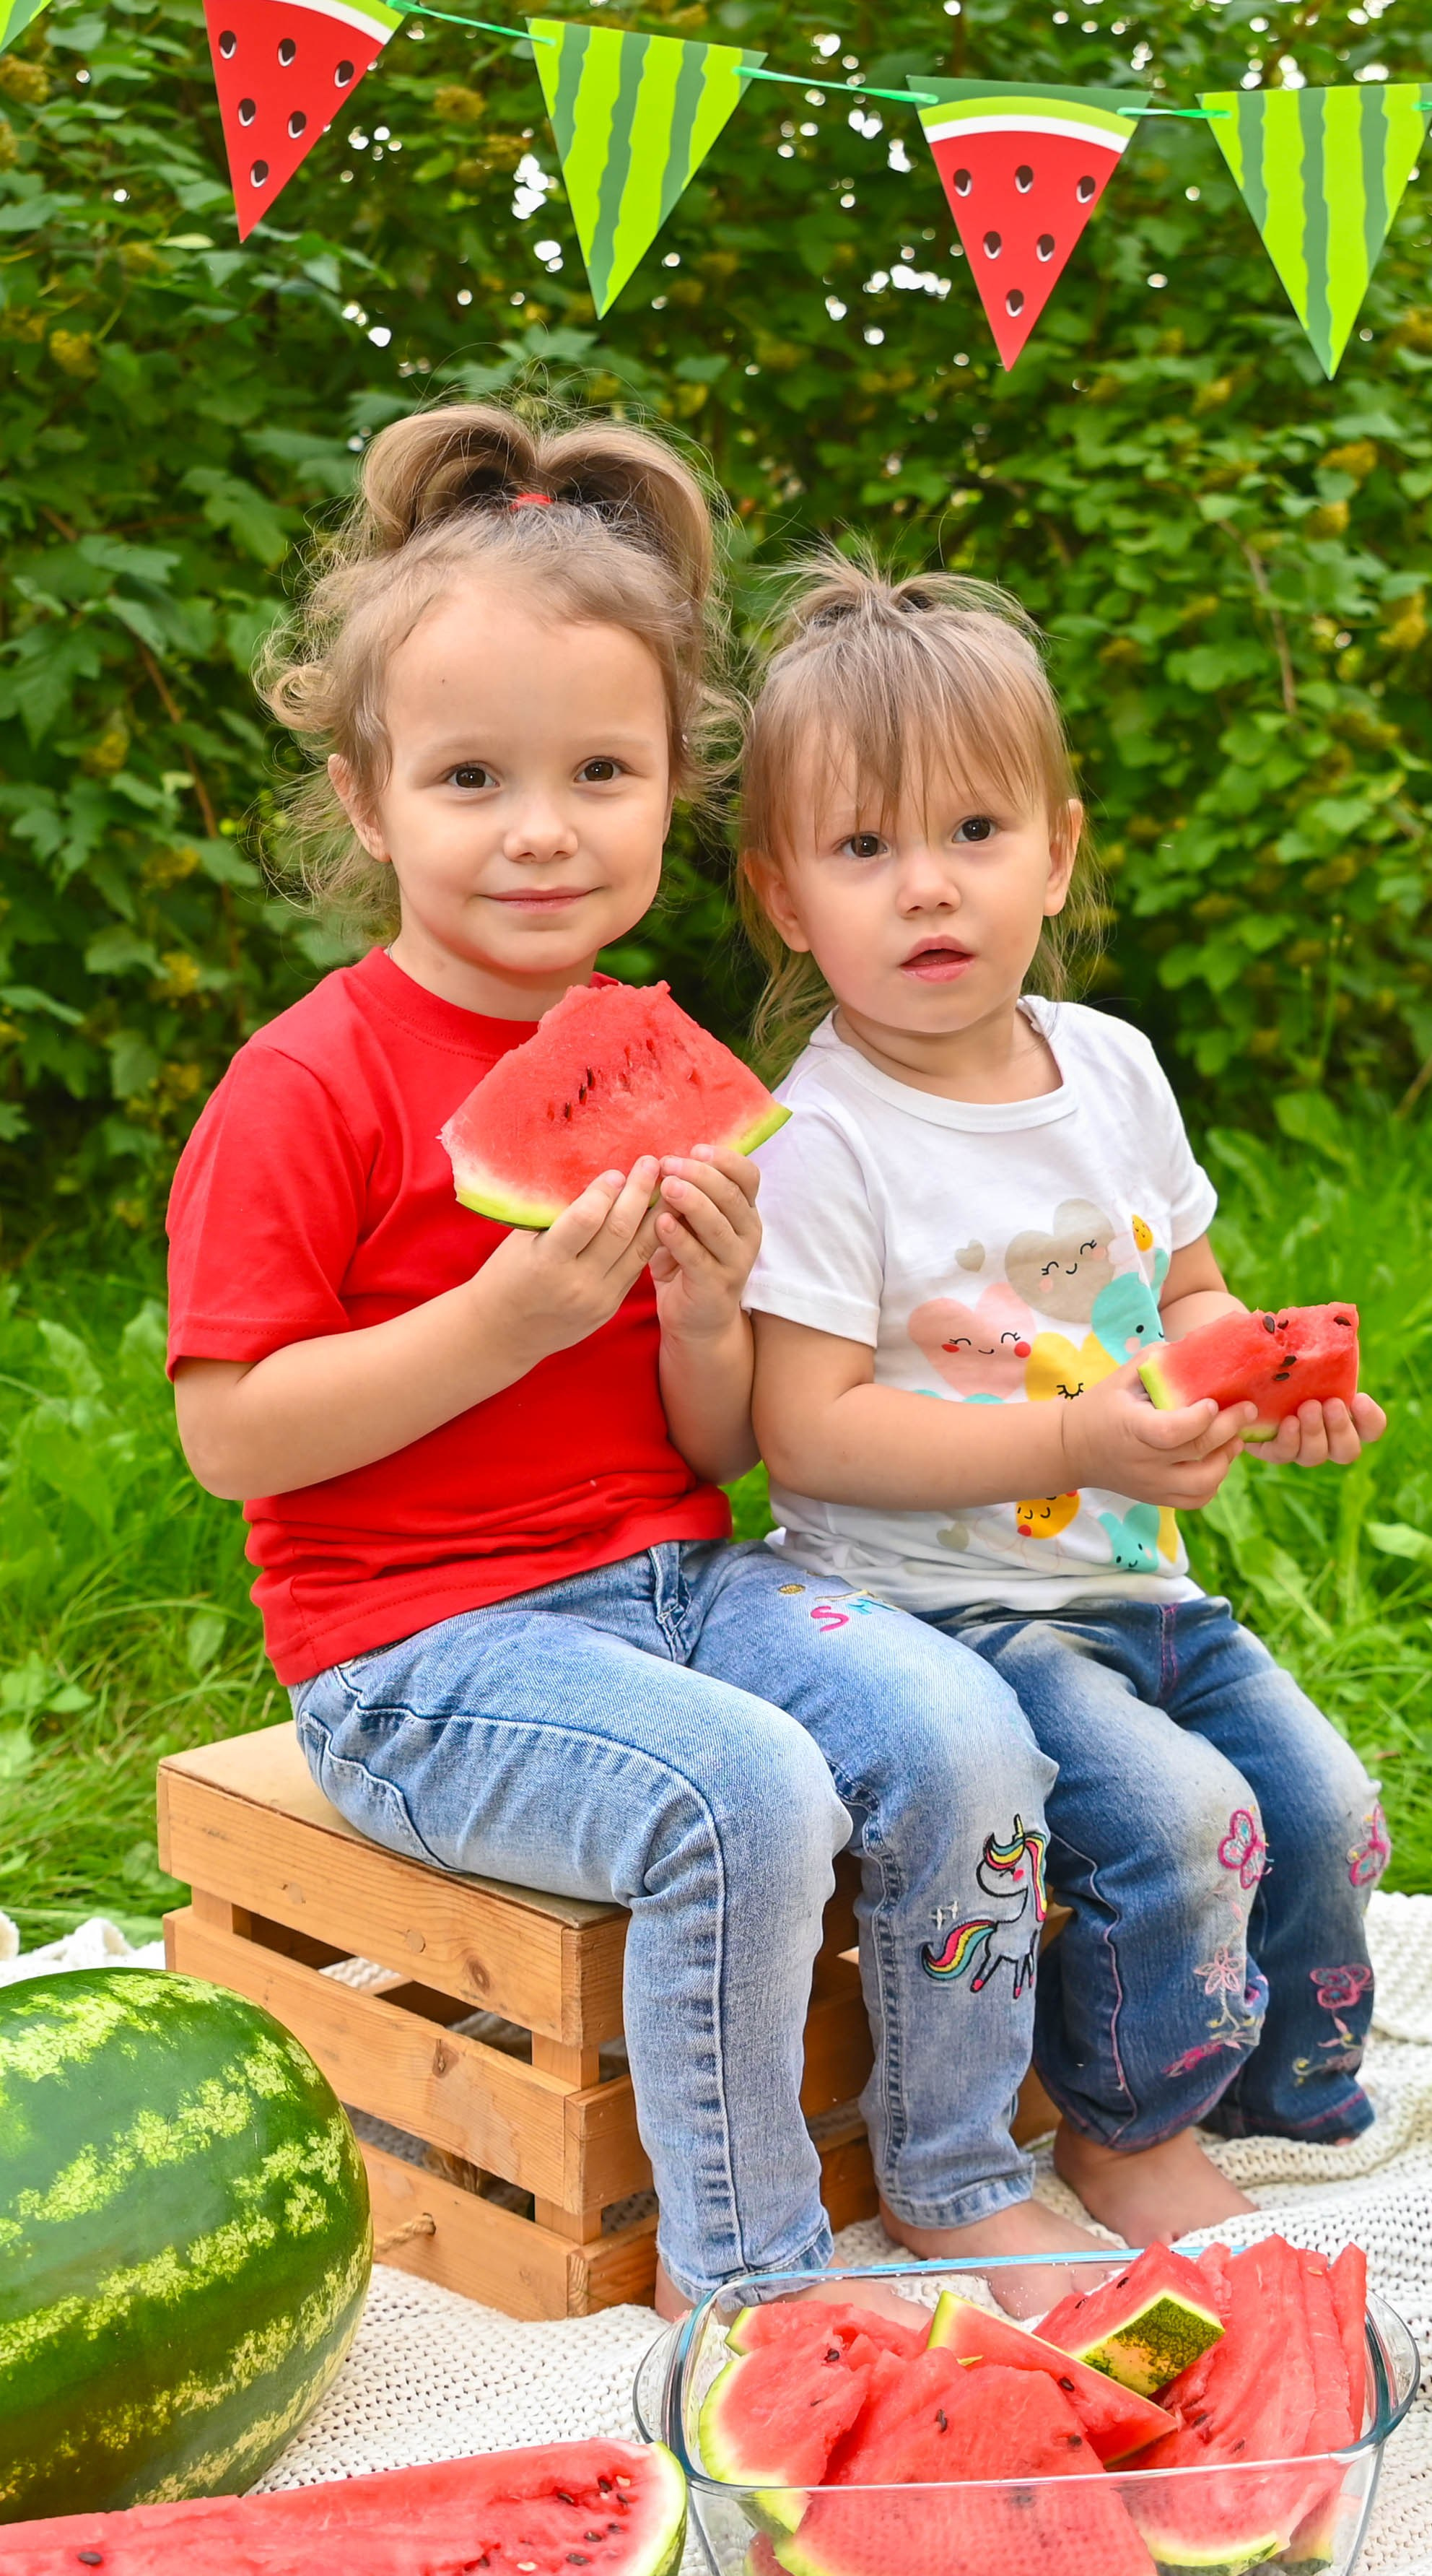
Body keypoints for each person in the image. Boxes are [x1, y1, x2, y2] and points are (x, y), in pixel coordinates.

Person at [164, 404, 1112, 2320]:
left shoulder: (669, 1071)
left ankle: (944, 2169)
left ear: (669, 783)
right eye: (469, 780)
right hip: (419, 1655)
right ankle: (745, 2279)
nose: (539, 829)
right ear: (367, 801)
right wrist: (506, 1312)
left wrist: (696, 1314)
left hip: (681, 1575)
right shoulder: (307, 1085)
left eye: (597, 771)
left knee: (964, 1738)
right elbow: (233, 1440)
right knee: (744, 1802)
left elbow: (708, 1447)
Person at [739, 559, 1392, 2248]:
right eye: (862, 847)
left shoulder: (1106, 1064)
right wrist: (1068, 1440)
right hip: (945, 1612)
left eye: (971, 831)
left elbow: (1182, 1292)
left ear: (1059, 849)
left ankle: (1275, 2092)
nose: (926, 887)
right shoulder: (816, 1138)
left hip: (1135, 1576)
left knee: (1317, 1804)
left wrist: (1266, 1378)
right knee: (1177, 1822)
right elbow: (802, 1428)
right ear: (782, 897)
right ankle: (1120, 2127)